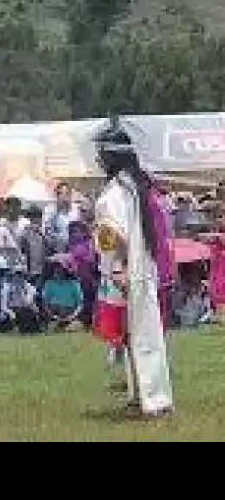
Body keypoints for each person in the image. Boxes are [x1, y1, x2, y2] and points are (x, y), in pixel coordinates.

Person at [92, 118, 173, 419]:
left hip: (126, 270)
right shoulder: (137, 187)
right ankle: (143, 394)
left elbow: (114, 234)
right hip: (141, 269)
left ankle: (153, 400)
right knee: (136, 335)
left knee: (140, 335)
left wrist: (119, 268)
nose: (99, 160)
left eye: (101, 154)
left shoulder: (117, 192)